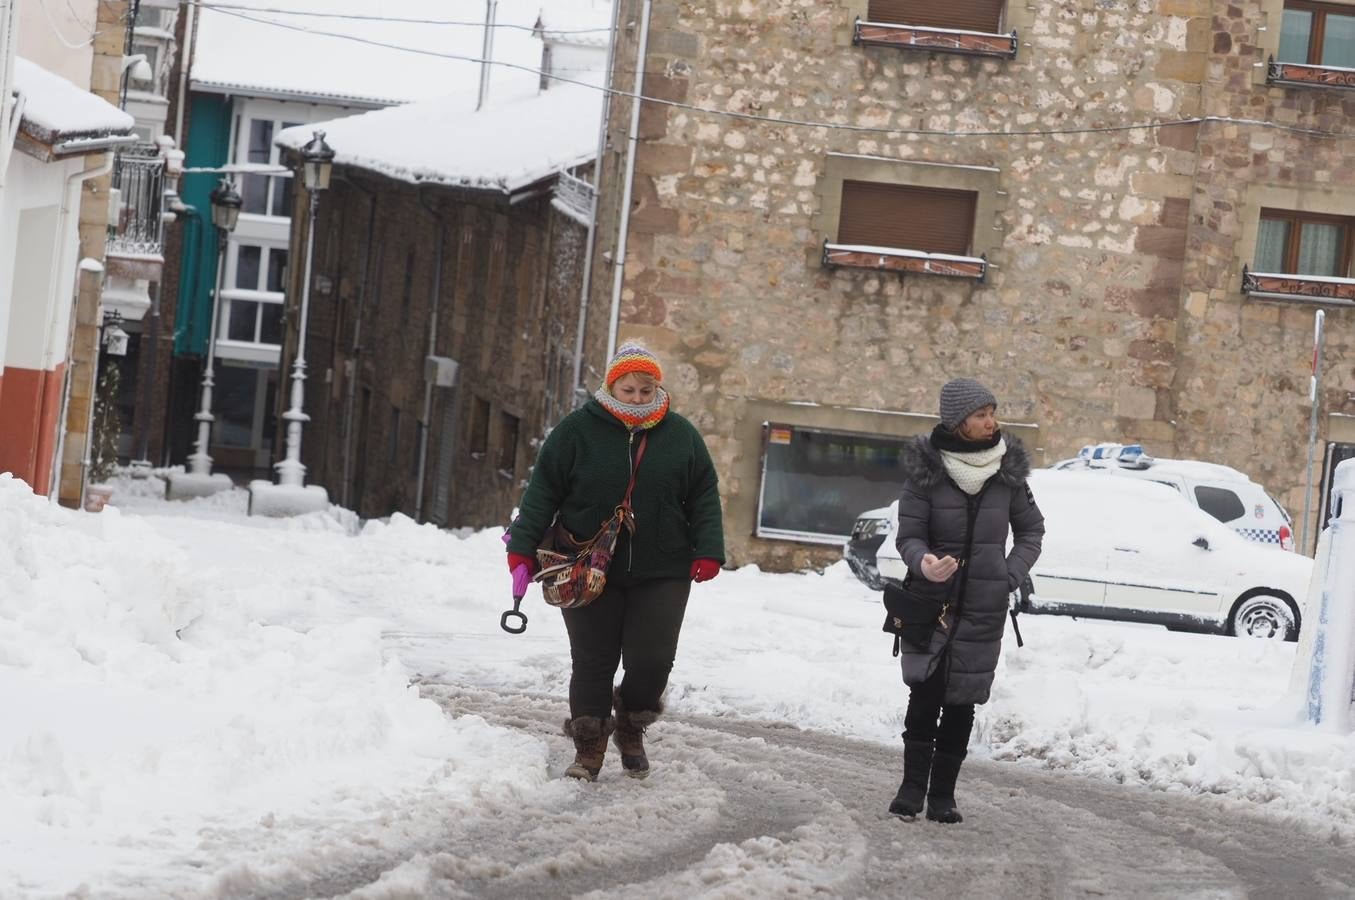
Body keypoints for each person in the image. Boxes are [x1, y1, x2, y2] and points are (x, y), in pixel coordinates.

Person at [506, 342, 725, 781]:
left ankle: (631, 724)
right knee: (593, 659)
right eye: (629, 389)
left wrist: (707, 549)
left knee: (653, 660)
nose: (638, 398)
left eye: (646, 390)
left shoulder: (680, 434)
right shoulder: (575, 431)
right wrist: (522, 548)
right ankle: (588, 748)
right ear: (612, 386)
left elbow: (703, 493)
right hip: (586, 564)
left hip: (662, 568)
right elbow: (543, 491)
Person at [888, 377, 1044, 823]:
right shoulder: (925, 472)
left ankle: (943, 796)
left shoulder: (1008, 475)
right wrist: (924, 563)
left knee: (961, 702)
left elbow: (1032, 531)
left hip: (983, 607)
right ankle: (911, 788)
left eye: (992, 412)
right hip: (930, 604)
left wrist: (1008, 575)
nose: (991, 422)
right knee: (925, 695)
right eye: (981, 415)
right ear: (958, 422)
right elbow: (910, 536)